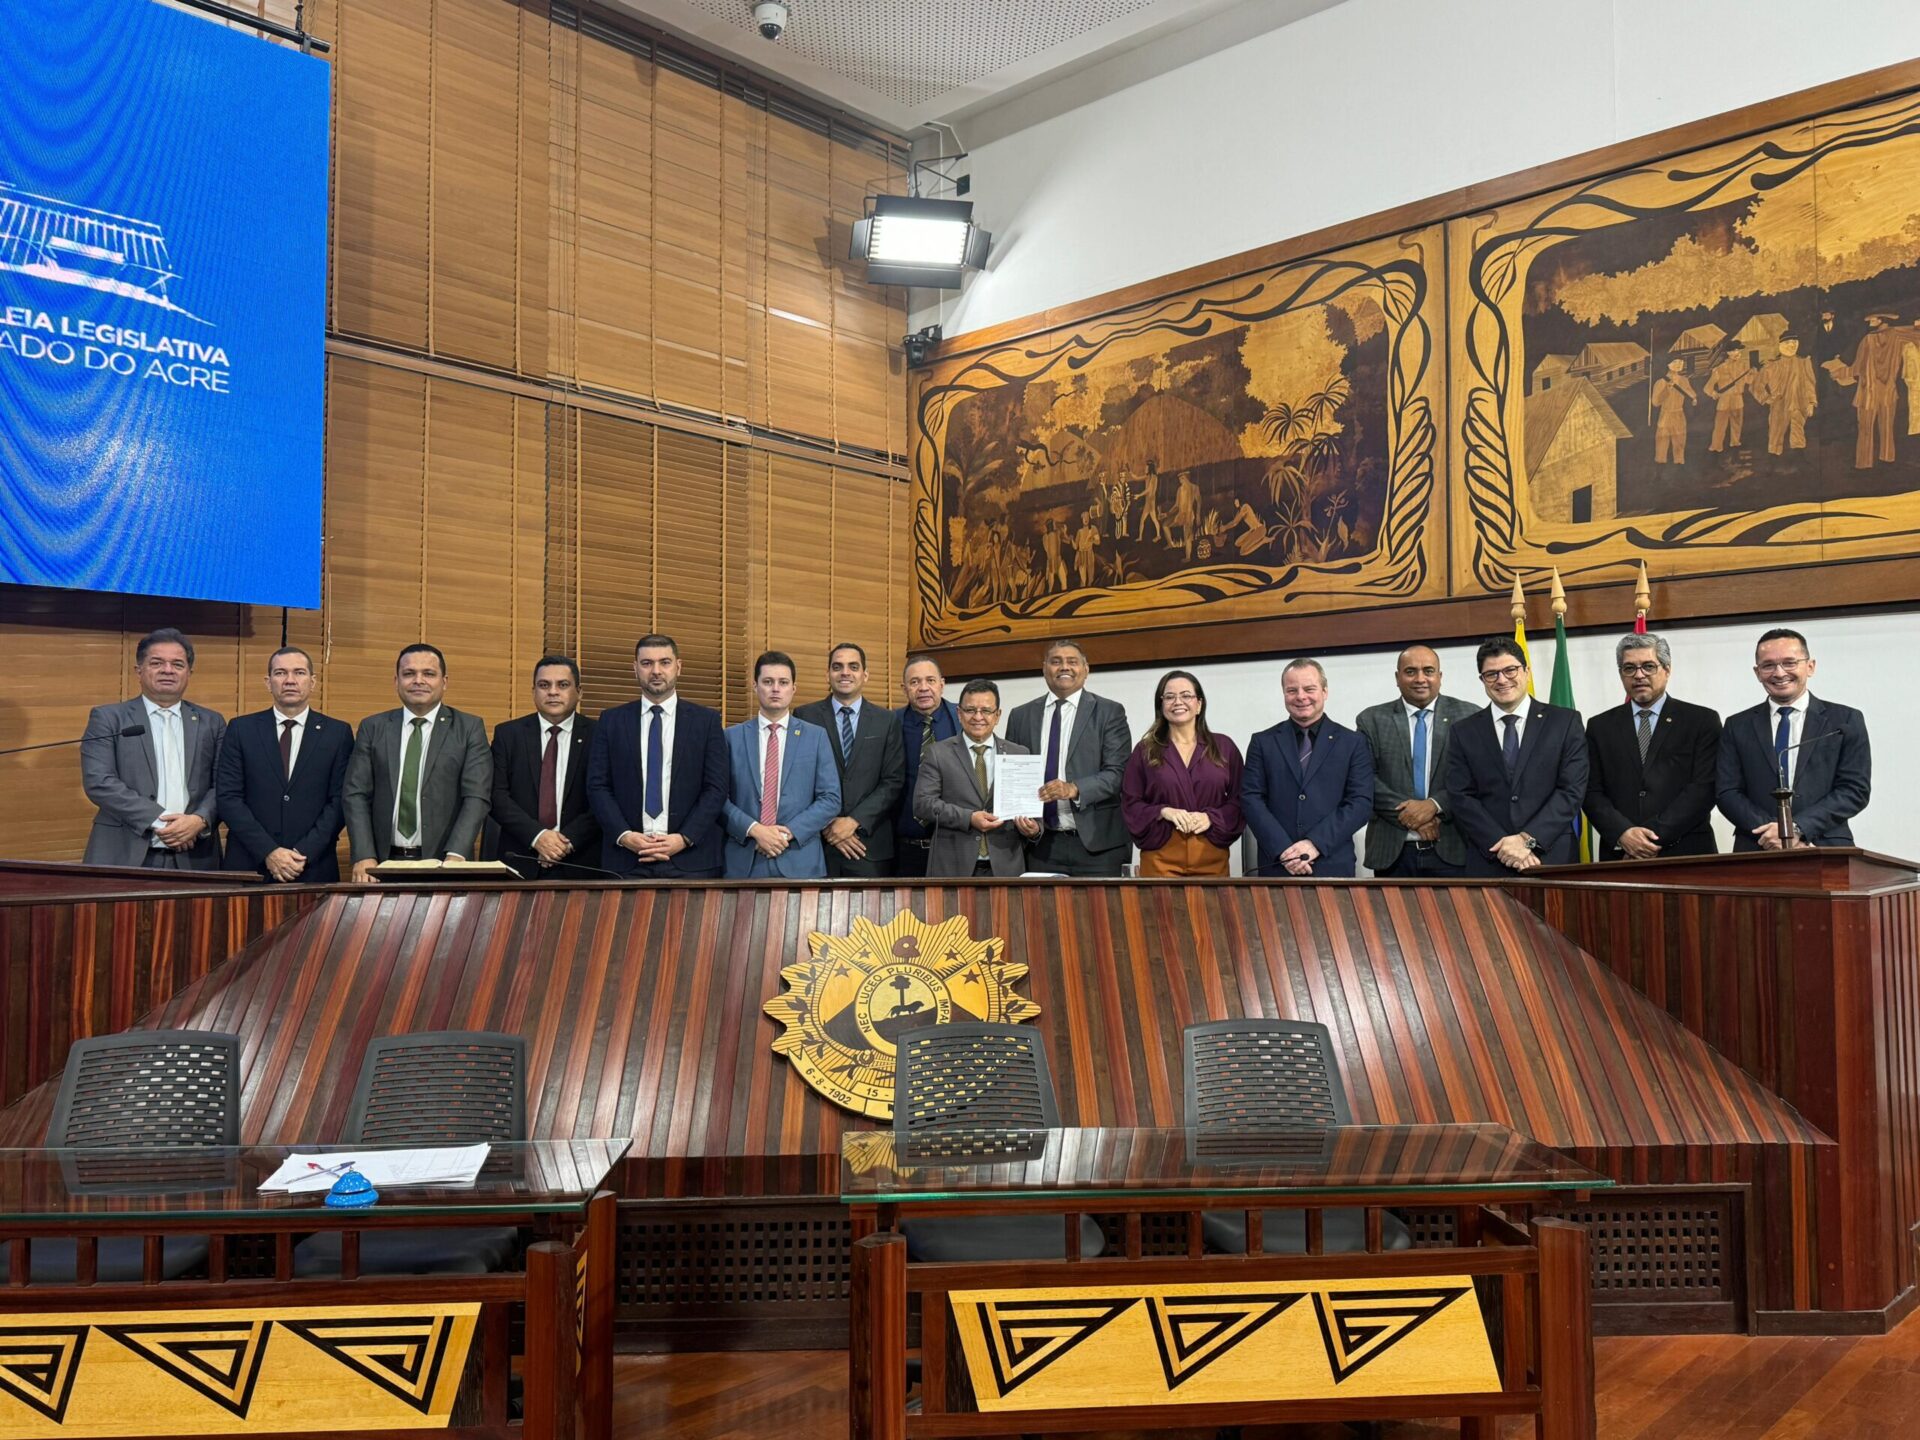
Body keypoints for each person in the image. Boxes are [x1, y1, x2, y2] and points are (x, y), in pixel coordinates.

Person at [343, 644, 493, 881]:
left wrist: (456, 855)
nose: (418, 680)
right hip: (381, 865)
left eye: (429, 674)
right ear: (396, 681)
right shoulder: (373, 727)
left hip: (446, 863)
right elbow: (355, 794)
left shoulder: (469, 728)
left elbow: (476, 796)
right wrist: (364, 855)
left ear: (444, 682)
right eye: (409, 673)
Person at [585, 633, 729, 879]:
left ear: (678, 667)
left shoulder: (706, 721)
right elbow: (597, 786)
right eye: (647, 663)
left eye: (665, 662)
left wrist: (684, 838)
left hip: (691, 859)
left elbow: (716, 788)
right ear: (635, 668)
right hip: (626, 859)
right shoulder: (611, 721)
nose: (656, 671)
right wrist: (624, 836)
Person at [80, 627, 225, 870]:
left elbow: (225, 784)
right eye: (157, 663)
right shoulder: (109, 718)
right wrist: (161, 822)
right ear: (139, 670)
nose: (167, 670)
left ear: (189, 673)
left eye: (177, 664)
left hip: (195, 854)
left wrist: (199, 820)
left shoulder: (212, 722)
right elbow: (99, 781)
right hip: (123, 851)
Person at [1441, 638, 1588, 875]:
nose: (1502, 680)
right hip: (1490, 857)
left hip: (1551, 855)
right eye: (1491, 674)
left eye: (1510, 670)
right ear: (1482, 680)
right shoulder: (1464, 731)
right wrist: (1503, 846)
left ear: (1526, 672)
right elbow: (1461, 796)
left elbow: (1571, 790)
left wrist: (1527, 840)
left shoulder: (1565, 722)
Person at [1716, 627, 1871, 850]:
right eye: (1768, 665)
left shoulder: (1845, 720)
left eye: (1789, 663)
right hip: (1757, 846)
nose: (1779, 673)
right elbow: (1727, 792)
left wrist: (1798, 828)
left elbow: (1855, 789)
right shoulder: (1736, 725)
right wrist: (1776, 834)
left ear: (1810, 666)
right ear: (1757, 672)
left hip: (1825, 846)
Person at [215, 645, 351, 882]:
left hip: (313, 865)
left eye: (299, 672)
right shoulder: (240, 729)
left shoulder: (338, 733)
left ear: (312, 682)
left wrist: (303, 852)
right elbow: (228, 797)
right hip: (250, 864)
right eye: (280, 673)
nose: (290, 680)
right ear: (268, 682)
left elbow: (340, 802)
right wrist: (269, 852)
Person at [1584, 634, 1722, 860]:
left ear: (1667, 670)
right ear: (1621, 674)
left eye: (1648, 666)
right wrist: (1623, 834)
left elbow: (1704, 789)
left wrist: (1649, 837)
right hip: (1621, 854)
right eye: (1629, 668)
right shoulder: (1599, 726)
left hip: (1686, 852)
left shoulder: (1701, 721)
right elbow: (1591, 792)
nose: (1639, 675)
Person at [1004, 638, 1134, 877]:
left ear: (1086, 669)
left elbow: (1118, 773)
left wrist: (1074, 789)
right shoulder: (1020, 716)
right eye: (1056, 661)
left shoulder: (1109, 712)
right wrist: (1025, 821)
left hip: (1099, 846)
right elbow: (1012, 775)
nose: (1064, 667)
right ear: (1044, 669)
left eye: (1072, 662)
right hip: (1041, 845)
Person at [1353, 644, 1481, 876]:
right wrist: (1414, 817)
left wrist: (1434, 805)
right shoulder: (1371, 720)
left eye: (1428, 671)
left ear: (1440, 676)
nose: (1420, 678)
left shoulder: (1469, 716)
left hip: (1453, 848)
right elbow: (1364, 779)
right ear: (1397, 677)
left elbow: (1476, 776)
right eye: (1410, 671)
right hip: (1392, 852)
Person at [1241, 658, 1374, 878]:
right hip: (1277, 866)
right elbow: (1251, 800)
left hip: (1331, 864)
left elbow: (1360, 803)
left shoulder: (1352, 742)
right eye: (1292, 690)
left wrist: (1314, 844)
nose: (1301, 696)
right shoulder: (1262, 742)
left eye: (1309, 689)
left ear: (1325, 691)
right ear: (1284, 694)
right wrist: (1286, 852)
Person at [721, 651, 840, 879]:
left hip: (799, 859)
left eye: (783, 682)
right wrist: (755, 830)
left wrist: (785, 834)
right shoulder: (731, 737)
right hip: (745, 859)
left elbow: (830, 799)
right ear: (755, 686)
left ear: (793, 688)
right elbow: (718, 798)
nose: (775, 689)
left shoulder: (816, 737)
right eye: (768, 682)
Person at [794, 642, 905, 878]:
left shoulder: (887, 720)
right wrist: (827, 825)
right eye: (837, 667)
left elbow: (893, 781)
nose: (845, 672)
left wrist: (853, 821)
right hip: (817, 843)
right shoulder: (805, 716)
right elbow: (798, 779)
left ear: (865, 675)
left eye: (853, 667)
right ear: (827, 674)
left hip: (868, 845)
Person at [1119, 670, 1243, 877]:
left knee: (1213, 901)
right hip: (1160, 855)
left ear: (1199, 704)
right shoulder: (1145, 750)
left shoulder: (1224, 746)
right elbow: (1130, 802)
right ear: (1161, 705)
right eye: (1169, 697)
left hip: (1210, 853)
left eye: (1186, 695)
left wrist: (1210, 818)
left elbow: (1241, 800)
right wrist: (1163, 811)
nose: (1178, 702)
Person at [912, 679, 1041, 878]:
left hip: (1005, 867)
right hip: (953, 866)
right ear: (959, 713)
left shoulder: (1019, 754)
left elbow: (1033, 812)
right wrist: (969, 818)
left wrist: (1034, 829)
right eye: (970, 710)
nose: (978, 717)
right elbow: (923, 805)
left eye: (986, 711)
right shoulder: (938, 753)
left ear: (997, 715)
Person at [489, 654, 600, 879]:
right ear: (533, 692)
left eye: (563, 685)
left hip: (582, 862)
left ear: (579, 692)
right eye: (544, 685)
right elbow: (496, 795)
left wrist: (564, 843)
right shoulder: (508, 735)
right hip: (520, 859)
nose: (553, 692)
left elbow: (605, 798)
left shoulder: (599, 735)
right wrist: (538, 837)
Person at [894, 654, 961, 878]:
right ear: (904, 688)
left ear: (942, 684)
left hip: (955, 844)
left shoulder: (964, 719)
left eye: (930, 680)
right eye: (915, 682)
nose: (923, 688)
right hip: (904, 848)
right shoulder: (890, 724)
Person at [1751, 333, 1816, 455]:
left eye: (1794, 342)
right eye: (1788, 343)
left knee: (1798, 432)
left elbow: (1809, 384)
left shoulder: (1804, 362)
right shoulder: (1771, 365)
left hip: (1799, 403)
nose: (1792, 346)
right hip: (1780, 405)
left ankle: (1799, 458)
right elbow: (1756, 386)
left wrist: (1811, 402)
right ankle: (1774, 459)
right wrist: (1766, 398)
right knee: (1776, 433)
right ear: (1780, 345)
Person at [1704, 347, 1751, 452]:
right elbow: (1707, 387)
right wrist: (1713, 393)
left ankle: (1735, 443)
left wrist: (1753, 372)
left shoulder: (1744, 366)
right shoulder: (1720, 368)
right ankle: (1716, 447)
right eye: (1734, 350)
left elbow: (1749, 381)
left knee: (1737, 424)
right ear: (1728, 352)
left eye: (1738, 350)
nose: (1737, 353)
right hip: (1724, 400)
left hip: (1738, 399)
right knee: (1720, 425)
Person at [1652, 358, 1697, 464]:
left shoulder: (1684, 380)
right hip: (1666, 415)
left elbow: (1691, 393)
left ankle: (1679, 464)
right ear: (1668, 364)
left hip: (1679, 414)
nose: (1679, 364)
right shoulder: (1661, 382)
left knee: (1680, 442)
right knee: (1662, 443)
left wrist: (1694, 397)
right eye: (1675, 362)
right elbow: (1655, 402)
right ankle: (1660, 465)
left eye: (1681, 362)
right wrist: (1667, 389)